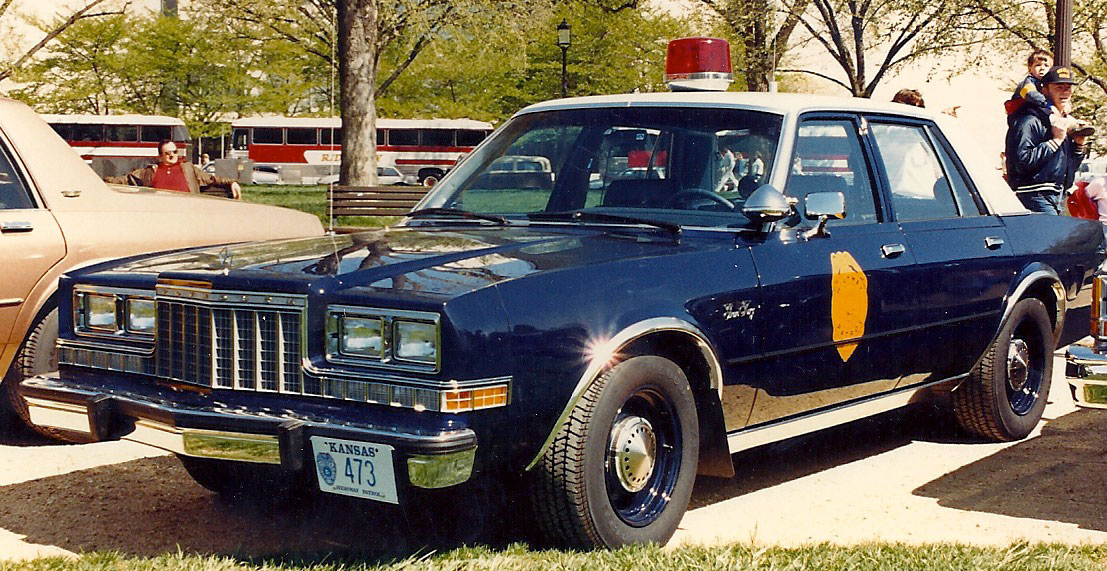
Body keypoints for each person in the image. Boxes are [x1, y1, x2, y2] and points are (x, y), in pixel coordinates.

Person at [1004, 65, 1088, 214]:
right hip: (1035, 197)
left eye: (1068, 88)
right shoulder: (1029, 121)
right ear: (1045, 91)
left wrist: (1079, 146)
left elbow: (1067, 169)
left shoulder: (1062, 123)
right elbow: (1022, 161)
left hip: (1058, 197)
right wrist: (1055, 141)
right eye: (1058, 87)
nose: (1064, 92)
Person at [107, 140, 240, 199]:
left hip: (187, 212)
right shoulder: (149, 172)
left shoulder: (188, 168)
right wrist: (98, 180)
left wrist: (231, 182)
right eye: (168, 153)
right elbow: (124, 180)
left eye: (174, 152)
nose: (172, 155)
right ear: (160, 156)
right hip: (161, 214)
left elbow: (211, 178)